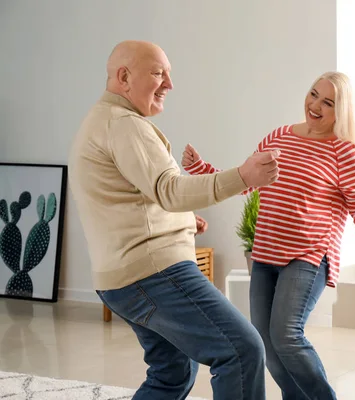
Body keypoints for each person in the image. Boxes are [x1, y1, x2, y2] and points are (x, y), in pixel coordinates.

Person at [68, 40, 280, 400]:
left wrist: (181, 220)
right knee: (241, 350)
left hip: (122, 277)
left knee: (172, 373)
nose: (169, 84)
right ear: (124, 77)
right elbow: (169, 189)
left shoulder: (101, 121)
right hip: (153, 273)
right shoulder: (124, 125)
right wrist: (243, 176)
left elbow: (129, 197)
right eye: (158, 73)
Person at [181, 71, 355, 399]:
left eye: (328, 102)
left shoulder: (344, 152)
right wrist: (202, 170)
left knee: (286, 336)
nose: (316, 105)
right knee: (266, 342)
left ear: (342, 111)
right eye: (313, 95)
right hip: (265, 252)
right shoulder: (279, 136)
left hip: (308, 256)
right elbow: (246, 179)